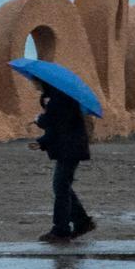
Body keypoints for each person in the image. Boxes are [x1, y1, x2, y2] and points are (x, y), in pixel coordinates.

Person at [27, 80, 95, 243]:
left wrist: (39, 119)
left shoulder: (60, 99)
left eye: (35, 81)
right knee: (63, 186)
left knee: (61, 187)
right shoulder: (56, 97)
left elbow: (53, 122)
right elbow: (57, 127)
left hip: (70, 149)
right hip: (69, 148)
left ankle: (61, 231)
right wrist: (42, 142)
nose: (33, 84)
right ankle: (82, 222)